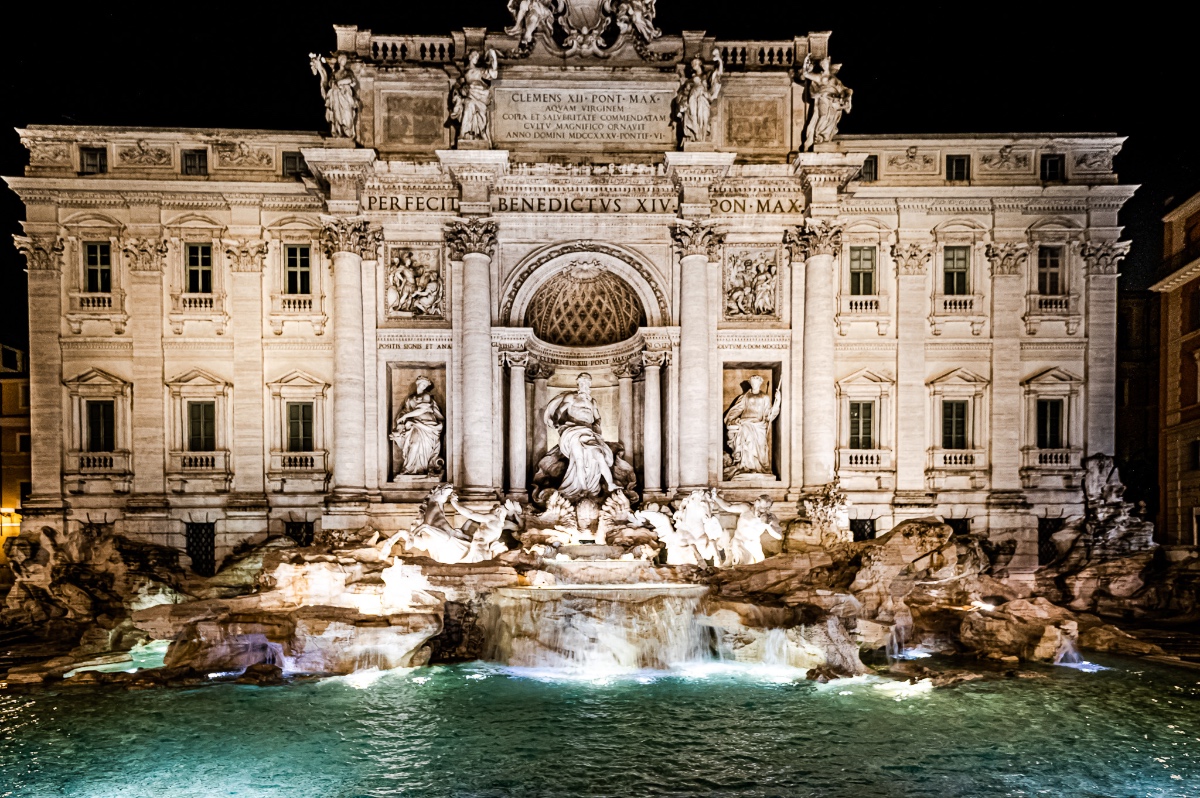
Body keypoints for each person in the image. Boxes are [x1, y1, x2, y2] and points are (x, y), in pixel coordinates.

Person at [543, 372, 617, 502]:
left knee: (599, 456)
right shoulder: (571, 397)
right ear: (578, 383)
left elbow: (597, 417)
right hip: (573, 431)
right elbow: (560, 411)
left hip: (588, 432)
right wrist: (556, 422)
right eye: (582, 382)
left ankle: (610, 484)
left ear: (590, 384)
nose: (584, 385)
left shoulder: (592, 401)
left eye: (587, 382)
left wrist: (596, 426)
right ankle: (583, 489)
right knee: (579, 460)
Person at [723, 376, 782, 478]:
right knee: (746, 443)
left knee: (761, 447)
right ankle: (746, 467)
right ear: (750, 384)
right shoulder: (745, 396)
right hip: (745, 423)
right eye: (753, 383)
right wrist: (730, 420)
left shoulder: (765, 397)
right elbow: (737, 409)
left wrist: (777, 402)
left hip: (759, 426)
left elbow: (769, 414)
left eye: (756, 383)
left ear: (760, 384)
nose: (754, 385)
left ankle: (759, 468)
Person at [710, 491, 783, 566]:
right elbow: (728, 507)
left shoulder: (770, 518)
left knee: (760, 567)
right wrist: (715, 496)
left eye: (765, 508)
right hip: (740, 542)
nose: (762, 510)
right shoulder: (746, 508)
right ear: (756, 502)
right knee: (745, 565)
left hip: (754, 545)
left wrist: (768, 525)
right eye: (760, 507)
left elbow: (779, 536)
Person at [391, 377, 444, 476]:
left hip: (427, 425)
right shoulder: (410, 398)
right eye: (422, 384)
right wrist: (402, 419)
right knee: (414, 445)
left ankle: (422, 469)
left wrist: (406, 416)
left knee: (422, 447)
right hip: (414, 425)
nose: (424, 387)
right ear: (418, 383)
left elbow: (422, 410)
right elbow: (405, 411)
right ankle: (409, 468)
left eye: (425, 385)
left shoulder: (426, 396)